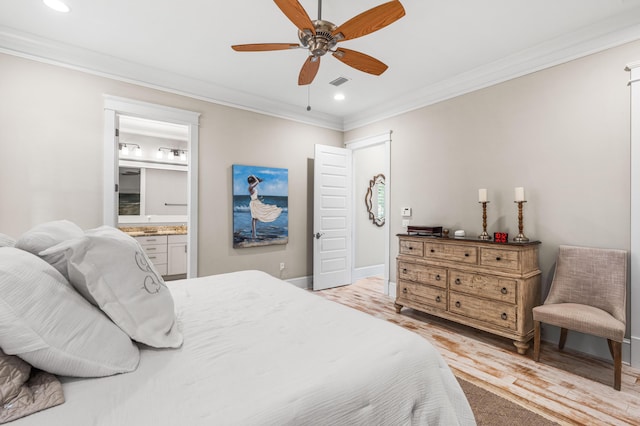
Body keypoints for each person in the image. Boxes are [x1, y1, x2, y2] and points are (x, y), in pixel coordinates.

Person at [247, 175, 282, 239]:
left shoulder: (252, 187)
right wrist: (253, 176)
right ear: (252, 182)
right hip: (254, 203)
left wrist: (259, 199)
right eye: (253, 181)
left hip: (256, 201)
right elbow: (257, 181)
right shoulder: (250, 187)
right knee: (254, 218)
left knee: (256, 218)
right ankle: (253, 234)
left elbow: (254, 195)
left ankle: (253, 233)